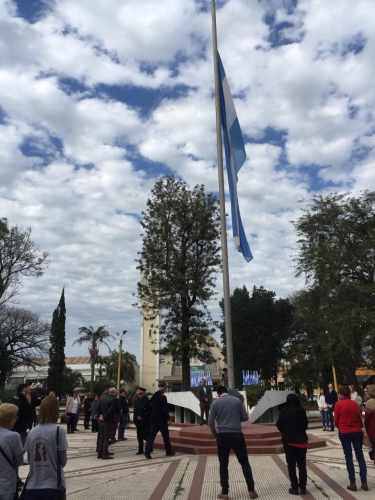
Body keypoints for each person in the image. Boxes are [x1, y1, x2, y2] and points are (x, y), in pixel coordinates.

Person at [208, 385, 258, 500]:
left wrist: (215, 434)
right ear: (227, 392)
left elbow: (210, 421)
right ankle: (251, 491)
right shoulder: (236, 401)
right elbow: (245, 417)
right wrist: (235, 419)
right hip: (237, 435)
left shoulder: (215, 403)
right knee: (244, 462)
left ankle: (225, 493)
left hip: (222, 436)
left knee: (223, 465)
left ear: (219, 394)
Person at [24, 395, 68, 500]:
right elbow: (63, 461)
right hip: (53, 485)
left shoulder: (32, 432)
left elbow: (30, 460)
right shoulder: (58, 431)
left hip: (32, 485)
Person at [334, 385, 367, 491]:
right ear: (350, 394)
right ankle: (364, 482)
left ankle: (352, 482)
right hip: (357, 431)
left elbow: (336, 420)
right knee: (360, 456)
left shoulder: (338, 404)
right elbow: (359, 417)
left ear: (341, 394)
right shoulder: (355, 404)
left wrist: (341, 427)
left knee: (348, 456)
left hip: (344, 431)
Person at [276, 394, 308, 495]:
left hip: (289, 441)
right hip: (302, 441)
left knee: (291, 465)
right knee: (302, 465)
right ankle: (303, 487)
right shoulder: (302, 411)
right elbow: (305, 424)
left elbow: (279, 424)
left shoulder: (284, 412)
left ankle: (294, 487)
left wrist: (285, 432)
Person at [144, 382, 175, 459]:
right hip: (161, 420)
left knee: (151, 435)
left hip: (153, 419)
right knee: (165, 436)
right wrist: (168, 419)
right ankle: (168, 451)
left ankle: (147, 451)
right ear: (164, 388)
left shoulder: (154, 396)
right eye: (165, 388)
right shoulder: (163, 397)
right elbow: (165, 409)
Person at [0, 403, 24, 500]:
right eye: (15, 417)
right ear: (9, 418)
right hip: (6, 484)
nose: (15, 420)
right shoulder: (13, 436)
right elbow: (20, 461)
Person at [96, 387, 116, 459]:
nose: (116, 394)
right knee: (106, 438)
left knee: (101, 437)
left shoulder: (101, 398)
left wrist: (100, 415)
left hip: (101, 420)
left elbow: (97, 408)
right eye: (116, 392)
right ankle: (104, 454)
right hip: (108, 420)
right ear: (113, 393)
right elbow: (111, 410)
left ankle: (100, 453)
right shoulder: (113, 399)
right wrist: (104, 416)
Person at [133, 387, 151, 455]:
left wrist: (142, 417)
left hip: (145, 422)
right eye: (138, 393)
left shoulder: (147, 401)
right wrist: (135, 419)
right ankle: (140, 450)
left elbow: (148, 411)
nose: (139, 395)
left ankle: (149, 447)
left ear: (144, 393)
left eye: (140, 393)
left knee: (146, 436)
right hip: (138, 422)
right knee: (139, 436)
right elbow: (135, 410)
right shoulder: (137, 401)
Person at [364, 384, 375, 468]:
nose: (366, 392)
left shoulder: (370, 402)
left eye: (367, 391)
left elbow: (367, 419)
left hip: (373, 430)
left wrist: (366, 430)